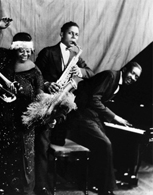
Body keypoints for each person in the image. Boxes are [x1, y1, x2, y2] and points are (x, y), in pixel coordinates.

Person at [0, 17, 44, 195]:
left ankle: (23, 190)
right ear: (14, 48)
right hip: (2, 116)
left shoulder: (36, 71)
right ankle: (3, 187)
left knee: (23, 156)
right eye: (21, 49)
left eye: (28, 50)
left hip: (22, 119)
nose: (24, 53)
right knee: (2, 152)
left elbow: (39, 97)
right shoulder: (5, 57)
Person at [34, 21, 94, 194]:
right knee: (42, 146)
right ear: (61, 34)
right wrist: (47, 84)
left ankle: (57, 180)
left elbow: (91, 72)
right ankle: (41, 186)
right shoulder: (48, 52)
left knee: (56, 142)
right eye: (70, 33)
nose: (74, 37)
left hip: (62, 106)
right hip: (46, 101)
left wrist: (79, 72)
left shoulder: (76, 56)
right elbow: (36, 75)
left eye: (76, 34)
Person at [68, 61, 142, 195]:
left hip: (92, 116)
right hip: (81, 115)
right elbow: (94, 100)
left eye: (136, 77)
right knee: (105, 144)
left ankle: (97, 182)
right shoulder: (110, 76)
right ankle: (106, 189)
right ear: (125, 70)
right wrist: (115, 118)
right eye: (132, 73)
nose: (133, 78)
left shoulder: (118, 82)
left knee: (108, 144)